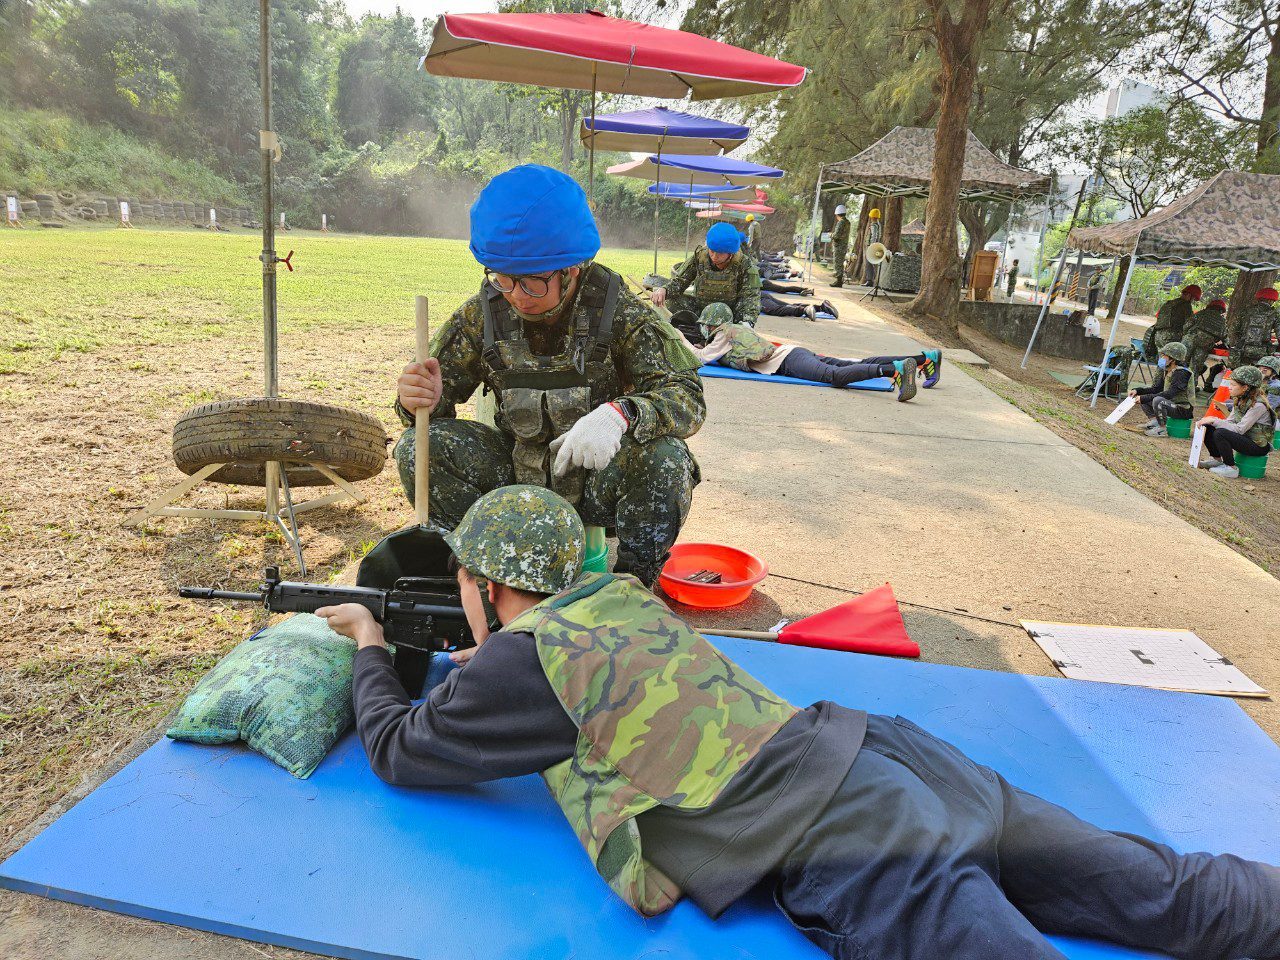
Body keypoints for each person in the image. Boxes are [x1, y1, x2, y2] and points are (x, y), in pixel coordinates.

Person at [318, 485, 1280, 960]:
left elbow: (403, 751)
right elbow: (583, 685)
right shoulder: (619, 599)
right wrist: (478, 662)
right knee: (1170, 892)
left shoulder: (524, 662)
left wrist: (368, 641)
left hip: (847, 838)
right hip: (899, 756)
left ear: (481, 587)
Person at [393, 164, 705, 589]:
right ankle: (477, 577)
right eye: (503, 278)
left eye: (534, 282)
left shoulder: (620, 312)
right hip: (512, 473)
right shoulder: (482, 314)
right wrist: (417, 399)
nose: (517, 295)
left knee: (665, 459)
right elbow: (429, 411)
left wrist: (622, 414)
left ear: (572, 268)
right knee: (419, 447)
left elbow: (686, 396)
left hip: (595, 484)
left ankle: (629, 590)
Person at [677, 302, 939, 401]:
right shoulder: (732, 330)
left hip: (788, 361)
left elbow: (699, 358)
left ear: (713, 324)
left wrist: (678, 337)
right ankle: (922, 359)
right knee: (851, 363)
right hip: (793, 353)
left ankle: (892, 370)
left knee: (834, 377)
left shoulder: (724, 333)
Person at [653, 222, 764, 327]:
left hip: (728, 316)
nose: (714, 256)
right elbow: (680, 282)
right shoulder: (700, 256)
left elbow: (750, 298)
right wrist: (664, 290)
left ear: (731, 253)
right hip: (700, 310)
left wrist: (746, 324)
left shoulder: (744, 264)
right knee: (670, 301)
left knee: (740, 314)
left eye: (720, 253)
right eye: (712, 251)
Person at [1196, 365, 1277, 479]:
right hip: (1245, 438)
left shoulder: (1258, 405)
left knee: (1220, 432)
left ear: (1245, 387)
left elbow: (1239, 429)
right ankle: (1217, 459)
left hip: (1258, 446)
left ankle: (1231, 468)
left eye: (1233, 385)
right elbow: (1230, 422)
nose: (1229, 387)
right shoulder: (1240, 399)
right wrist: (1212, 422)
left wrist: (1214, 420)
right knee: (1210, 426)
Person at [1128, 341, 1193, 437]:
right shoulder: (1168, 371)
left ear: (1173, 359)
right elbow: (1156, 389)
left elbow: (1170, 394)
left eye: (1164, 356)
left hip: (1183, 409)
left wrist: (1145, 398)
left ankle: (1162, 429)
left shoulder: (1182, 373)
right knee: (1147, 398)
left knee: (1158, 400)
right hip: (1172, 404)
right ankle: (1155, 422)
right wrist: (1138, 391)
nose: (1161, 358)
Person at [1230, 286, 1279, 369]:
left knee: (1239, 374)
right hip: (1263, 351)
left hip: (1243, 349)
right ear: (1272, 300)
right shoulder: (1275, 314)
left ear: (1258, 298)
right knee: (1258, 376)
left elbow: (1234, 329)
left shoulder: (1245, 311)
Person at [1184, 297, 1228, 391]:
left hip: (1190, 340)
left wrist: (1186, 334)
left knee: (1180, 362)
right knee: (1195, 368)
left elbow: (1187, 325)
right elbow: (1224, 336)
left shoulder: (1201, 313)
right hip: (1204, 346)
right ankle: (1190, 390)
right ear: (1221, 310)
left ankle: (1171, 384)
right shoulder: (1222, 321)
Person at [1143, 284, 1200, 354]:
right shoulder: (1186, 305)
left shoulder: (1169, 303)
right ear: (1189, 295)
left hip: (1157, 335)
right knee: (1171, 361)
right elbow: (1189, 324)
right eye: (1193, 298)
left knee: (1162, 361)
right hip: (1170, 338)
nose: (1192, 301)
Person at [830, 204, 850, 287]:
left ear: (837, 214)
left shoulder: (840, 222)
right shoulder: (848, 222)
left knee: (838, 263)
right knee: (841, 263)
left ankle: (838, 281)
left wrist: (831, 235)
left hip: (839, 246)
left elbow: (837, 235)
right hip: (844, 245)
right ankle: (839, 280)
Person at [862, 206, 882, 286]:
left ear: (872, 216)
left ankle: (869, 280)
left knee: (868, 263)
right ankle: (871, 280)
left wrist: (871, 246)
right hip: (874, 246)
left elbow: (874, 236)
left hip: (871, 247)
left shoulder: (874, 225)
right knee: (871, 263)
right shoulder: (878, 224)